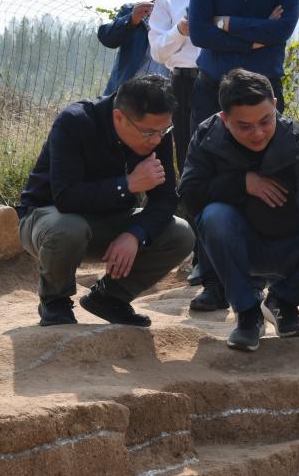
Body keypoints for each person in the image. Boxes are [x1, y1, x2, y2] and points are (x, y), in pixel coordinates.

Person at [185, 0, 299, 313]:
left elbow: (282, 30)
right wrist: (254, 33)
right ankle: (212, 280)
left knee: (268, 176)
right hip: (212, 88)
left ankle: (258, 277)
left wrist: (227, 23)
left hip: (264, 94)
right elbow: (200, 32)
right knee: (209, 180)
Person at [178, 69, 299, 352]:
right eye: (244, 126)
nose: (257, 133)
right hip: (240, 246)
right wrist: (242, 183)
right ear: (224, 119)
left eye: (265, 121)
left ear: (275, 105)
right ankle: (248, 314)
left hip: (292, 245)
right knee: (215, 217)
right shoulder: (208, 136)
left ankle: (282, 302)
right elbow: (190, 192)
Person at [16, 75, 195, 327]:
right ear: (119, 117)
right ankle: (55, 301)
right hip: (47, 222)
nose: (157, 140)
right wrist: (127, 185)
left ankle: (110, 298)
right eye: (149, 132)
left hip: (108, 223)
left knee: (181, 233)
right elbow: (66, 198)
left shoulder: (156, 133)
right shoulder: (75, 122)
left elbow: (165, 200)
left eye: (164, 131)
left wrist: (135, 234)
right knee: (68, 228)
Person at [148, 0, 221, 176]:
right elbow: (158, 52)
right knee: (189, 153)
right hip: (185, 83)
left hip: (227, 79)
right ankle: (191, 198)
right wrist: (180, 30)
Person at [98, 0, 189, 96]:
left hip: (169, 98)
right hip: (128, 97)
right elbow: (107, 38)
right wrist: (131, 20)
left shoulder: (189, 18)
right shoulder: (136, 12)